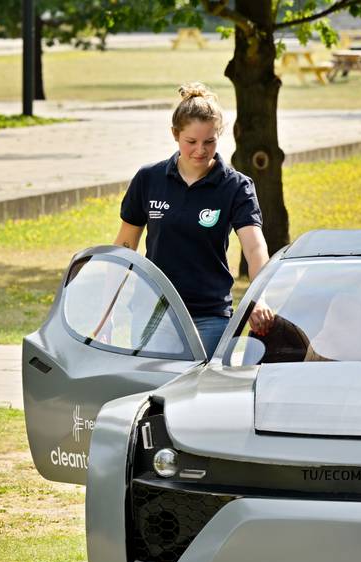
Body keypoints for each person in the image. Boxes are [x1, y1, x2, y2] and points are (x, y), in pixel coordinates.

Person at [114, 82, 274, 360]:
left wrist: (259, 296)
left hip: (208, 315)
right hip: (152, 310)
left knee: (198, 396)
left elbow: (254, 247)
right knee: (150, 394)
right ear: (175, 135)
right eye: (191, 142)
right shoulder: (149, 179)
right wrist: (107, 312)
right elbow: (124, 248)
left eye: (209, 141)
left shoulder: (236, 186)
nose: (200, 150)